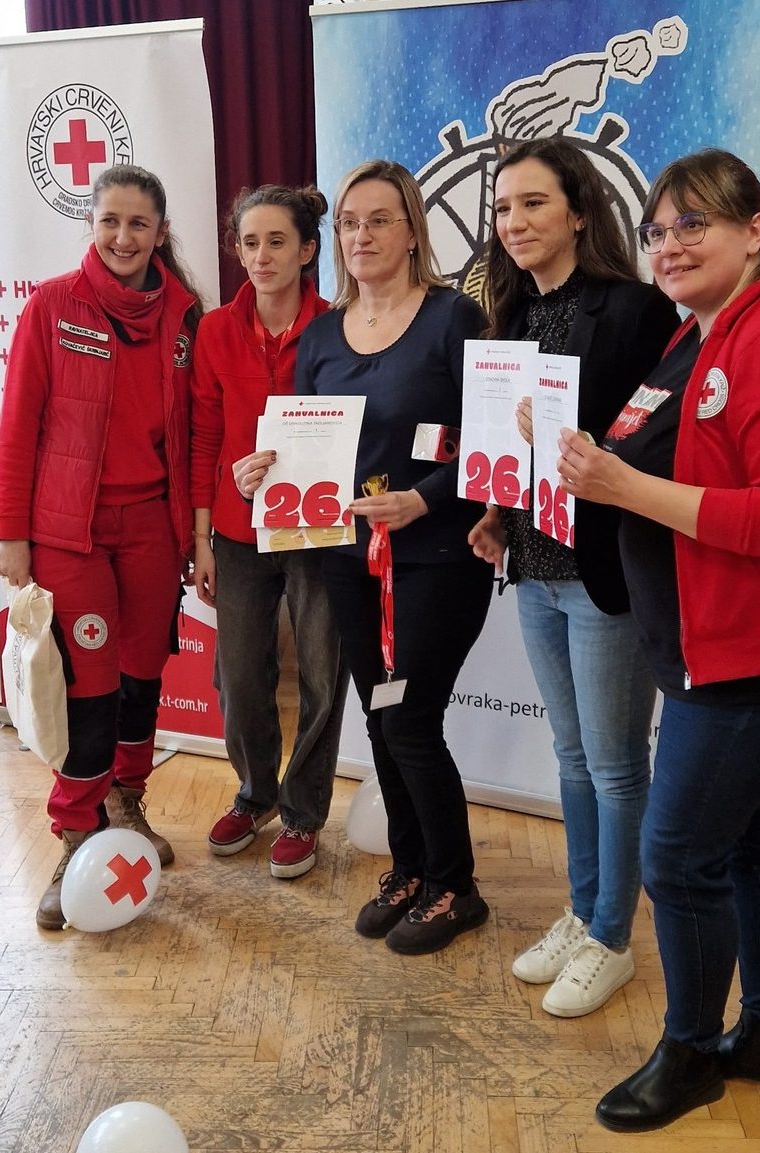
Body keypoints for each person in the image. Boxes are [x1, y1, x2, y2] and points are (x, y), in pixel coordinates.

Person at [552, 149, 760, 1130]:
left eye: (693, 223)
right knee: (744, 833)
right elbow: (658, 460)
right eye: (657, 230)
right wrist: (589, 470)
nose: (670, 244)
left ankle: (689, 1053)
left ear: (754, 228)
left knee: (677, 855)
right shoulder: (698, 334)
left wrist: (623, 485)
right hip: (715, 642)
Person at [239, 159, 490, 954]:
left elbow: (490, 444)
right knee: (382, 720)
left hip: (437, 556)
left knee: (410, 717)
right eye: (349, 222)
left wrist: (424, 498)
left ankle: (456, 885)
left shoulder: (454, 319)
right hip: (348, 561)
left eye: (379, 219)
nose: (361, 235)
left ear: (413, 230)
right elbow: (306, 444)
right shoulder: (320, 335)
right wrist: (264, 471)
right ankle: (411, 868)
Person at [466, 138, 679, 1017]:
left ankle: (612, 938)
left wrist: (579, 434)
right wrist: (495, 511)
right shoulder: (510, 315)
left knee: (616, 765)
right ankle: (582, 908)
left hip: (603, 574)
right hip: (535, 565)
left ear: (580, 212)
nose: (513, 222)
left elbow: (657, 440)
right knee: (571, 755)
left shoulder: (633, 309)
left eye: (533, 204)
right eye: (502, 208)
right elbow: (512, 449)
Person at [0, 164, 204, 931]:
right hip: (68, 532)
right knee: (89, 685)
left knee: (142, 675)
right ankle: (76, 833)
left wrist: (196, 533)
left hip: (152, 527)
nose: (122, 236)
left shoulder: (184, 315)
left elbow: (194, 433)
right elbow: (18, 424)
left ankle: (126, 799)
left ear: (160, 231)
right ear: (91, 224)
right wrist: (10, 534)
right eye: (109, 220)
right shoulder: (53, 306)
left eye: (137, 223)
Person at [190, 184, 347, 880]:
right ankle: (254, 794)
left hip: (316, 529)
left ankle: (303, 812)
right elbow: (204, 436)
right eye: (249, 242)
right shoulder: (215, 331)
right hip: (235, 531)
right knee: (239, 675)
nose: (261, 256)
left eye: (277, 241)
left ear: (308, 250)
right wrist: (201, 539)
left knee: (321, 672)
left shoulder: (338, 327)